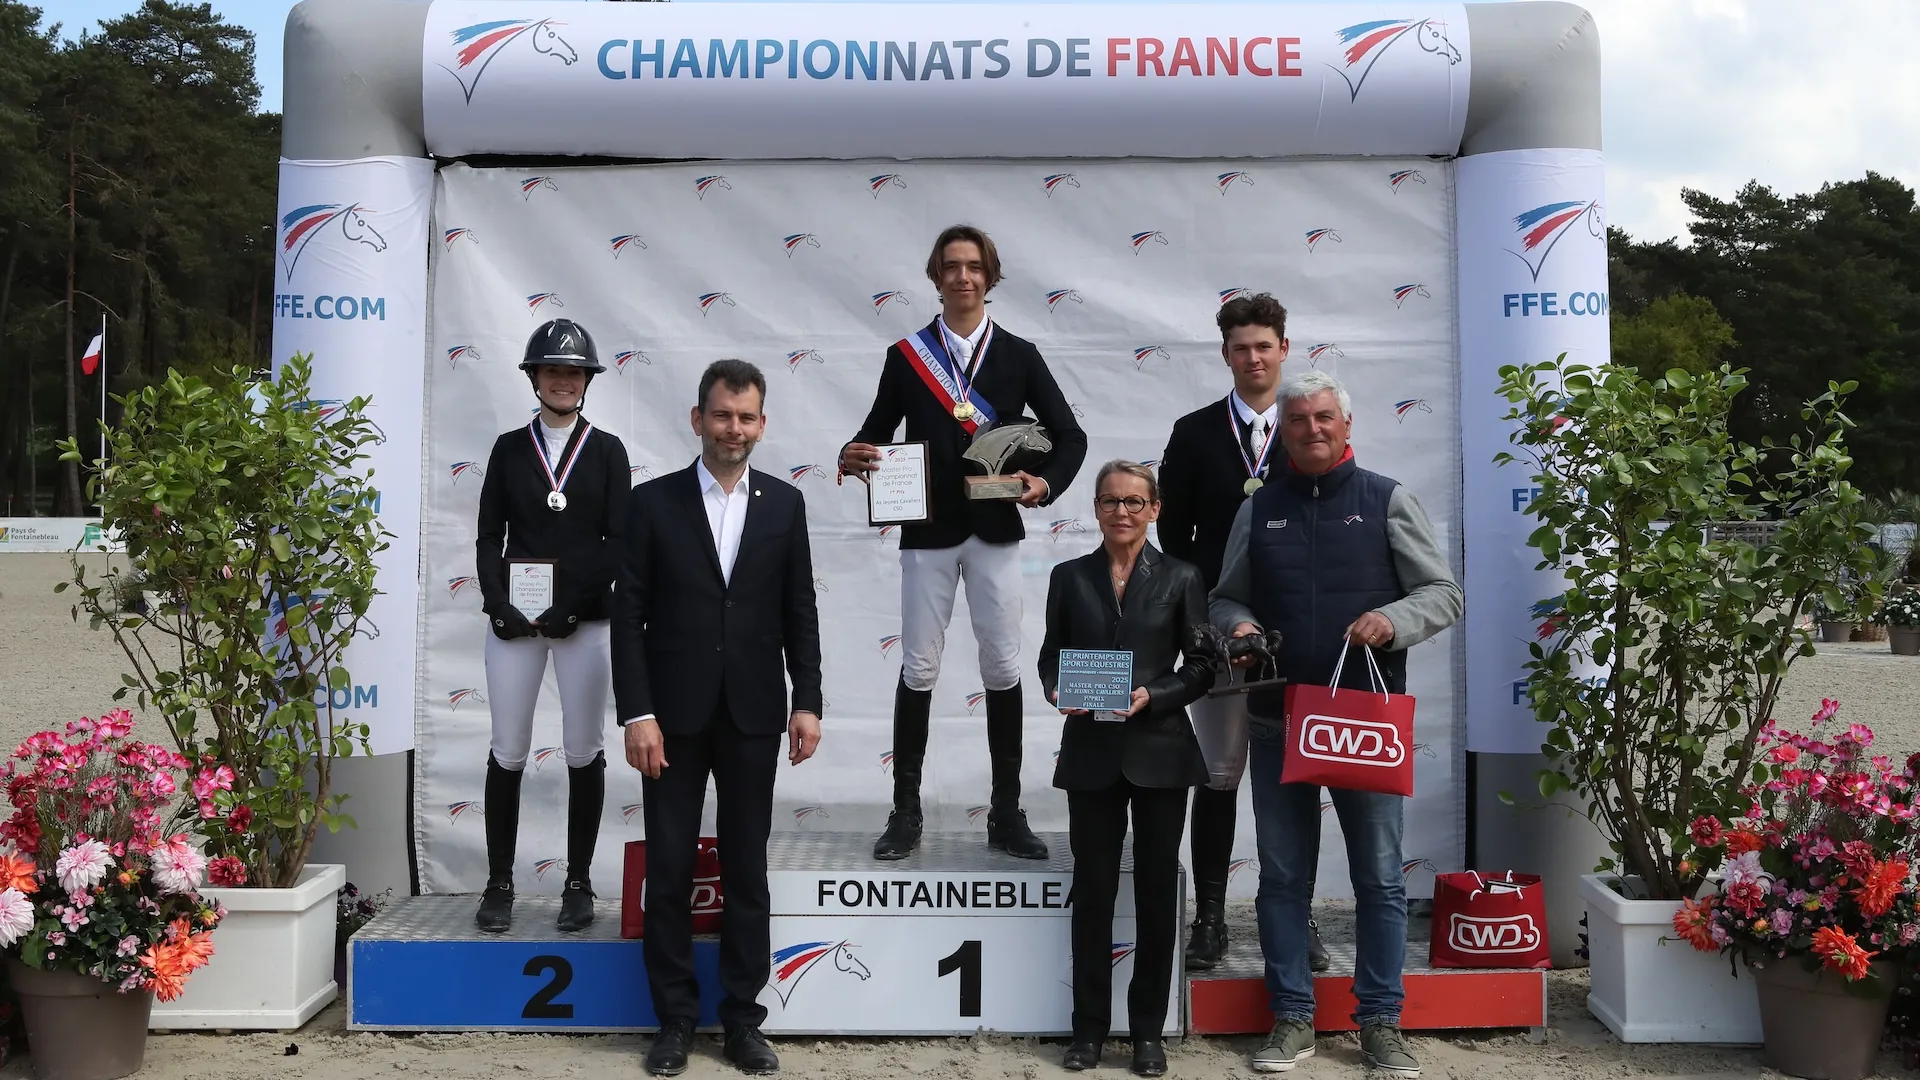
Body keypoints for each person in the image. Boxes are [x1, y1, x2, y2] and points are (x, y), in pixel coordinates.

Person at [1209, 370, 1461, 1078]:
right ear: (1281, 432)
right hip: (1276, 716)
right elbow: (1223, 600)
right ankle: (1291, 1017)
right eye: (1298, 421)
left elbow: (1443, 594)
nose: (1312, 430)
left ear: (1346, 426)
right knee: (1283, 876)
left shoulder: (1386, 499)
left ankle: (1380, 1022)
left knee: (1380, 879)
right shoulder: (1259, 509)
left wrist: (1394, 619)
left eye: (1324, 418)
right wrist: (1241, 623)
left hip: (1362, 721)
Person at [839, 224, 1088, 862]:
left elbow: (1070, 437)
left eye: (974, 266)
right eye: (951, 266)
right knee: (918, 667)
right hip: (926, 531)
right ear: (936, 276)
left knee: (1003, 668)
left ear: (990, 276)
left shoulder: (1020, 355)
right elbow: (873, 431)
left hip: (997, 530)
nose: (963, 277)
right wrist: (852, 452)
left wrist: (1044, 484)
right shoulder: (906, 356)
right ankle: (905, 811)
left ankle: (1007, 812)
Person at [612, 360, 824, 1077]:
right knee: (669, 870)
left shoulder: (786, 505)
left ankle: (742, 1022)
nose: (734, 428)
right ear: (697, 417)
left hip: (755, 713)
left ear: (762, 425)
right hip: (669, 717)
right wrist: (636, 713)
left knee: (746, 870)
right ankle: (673, 1022)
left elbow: (801, 609)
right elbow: (627, 618)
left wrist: (809, 700)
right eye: (723, 414)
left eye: (747, 417)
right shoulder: (651, 504)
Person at [1155, 292, 1328, 973]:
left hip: (1296, 636)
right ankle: (1207, 919)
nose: (1253, 358)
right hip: (1218, 633)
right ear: (1225, 354)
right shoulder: (1194, 432)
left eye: (1264, 345)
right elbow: (1174, 537)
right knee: (1220, 776)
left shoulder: (1310, 429)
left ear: (1284, 349)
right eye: (1240, 347)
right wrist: (1204, 624)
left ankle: (1298, 914)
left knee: (1297, 779)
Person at [1040, 461, 1215, 1078]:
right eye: (1111, 502)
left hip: (1161, 751)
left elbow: (1202, 665)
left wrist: (1153, 695)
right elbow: (1048, 661)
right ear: (1094, 508)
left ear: (1155, 509)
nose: (1122, 512)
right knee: (1092, 892)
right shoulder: (1068, 577)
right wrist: (1062, 691)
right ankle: (1087, 1030)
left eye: (1135, 503)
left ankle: (1147, 1032)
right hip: (1090, 750)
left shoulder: (1182, 576)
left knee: (1156, 894)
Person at [472, 318, 630, 934]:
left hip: (584, 621)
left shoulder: (608, 450)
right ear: (536, 377)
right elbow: (490, 534)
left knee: (582, 747)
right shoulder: (509, 448)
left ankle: (578, 883)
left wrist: (575, 604)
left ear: (586, 381)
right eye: (553, 371)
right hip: (515, 620)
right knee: (507, 747)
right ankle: (499, 883)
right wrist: (497, 602)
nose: (563, 381)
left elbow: (617, 542)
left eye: (574, 372)